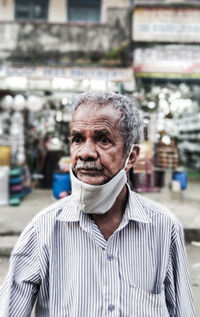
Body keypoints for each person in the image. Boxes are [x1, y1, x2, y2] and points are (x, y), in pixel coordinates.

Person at [0, 92, 195, 316]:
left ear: (131, 157)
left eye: (103, 139)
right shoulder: (42, 229)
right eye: (77, 139)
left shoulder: (164, 227)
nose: (86, 153)